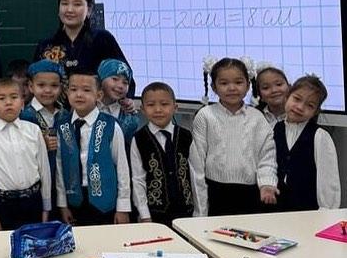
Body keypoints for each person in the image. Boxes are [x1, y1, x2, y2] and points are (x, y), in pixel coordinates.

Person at [190, 57, 278, 217]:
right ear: (214, 87)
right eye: (224, 83)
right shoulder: (205, 116)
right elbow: (197, 164)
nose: (232, 88)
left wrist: (267, 183)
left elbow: (267, 155)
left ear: (248, 85)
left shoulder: (257, 117)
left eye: (238, 82)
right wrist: (200, 211)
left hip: (251, 194)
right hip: (215, 192)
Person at [55, 68, 131, 226]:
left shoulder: (110, 125)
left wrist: (123, 207)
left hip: (105, 203)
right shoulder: (62, 126)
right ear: (67, 92)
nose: (79, 95)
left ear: (99, 95)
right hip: (74, 202)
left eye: (86, 90)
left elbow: (122, 167)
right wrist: (62, 205)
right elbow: (59, 167)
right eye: (73, 89)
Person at [0, 77, 51, 231]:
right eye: (1, 98)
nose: (8, 102)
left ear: (22, 103)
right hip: (4, 204)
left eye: (14, 97)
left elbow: (44, 170)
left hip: (33, 201)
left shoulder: (33, 130)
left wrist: (46, 206)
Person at [34, 0, 134, 93]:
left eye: (77, 4)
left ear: (89, 10)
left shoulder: (102, 39)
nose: (69, 9)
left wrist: (125, 99)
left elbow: (125, 76)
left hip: (95, 103)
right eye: (64, 4)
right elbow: (34, 81)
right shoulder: (46, 45)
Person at [130, 82, 194, 227]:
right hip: (155, 214)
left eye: (164, 104)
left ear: (175, 107)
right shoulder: (139, 139)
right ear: (142, 109)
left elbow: (195, 175)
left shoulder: (186, 136)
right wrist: (144, 214)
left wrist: (199, 212)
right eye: (151, 105)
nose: (158, 109)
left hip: (187, 212)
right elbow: (138, 179)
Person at [274, 75, 341, 211]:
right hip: (275, 209)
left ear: (315, 111)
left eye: (309, 105)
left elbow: (328, 181)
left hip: (307, 211)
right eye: (297, 99)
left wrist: (326, 212)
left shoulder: (320, 137)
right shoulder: (274, 129)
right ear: (287, 97)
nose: (300, 107)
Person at [20, 59, 65, 217]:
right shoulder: (24, 116)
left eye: (54, 86)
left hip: (63, 183)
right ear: (31, 86)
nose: (48, 90)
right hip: (37, 186)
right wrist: (40, 144)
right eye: (41, 85)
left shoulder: (65, 114)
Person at [97, 59, 141, 144]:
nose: (120, 86)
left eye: (125, 82)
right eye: (115, 79)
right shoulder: (88, 106)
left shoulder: (128, 117)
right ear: (100, 79)